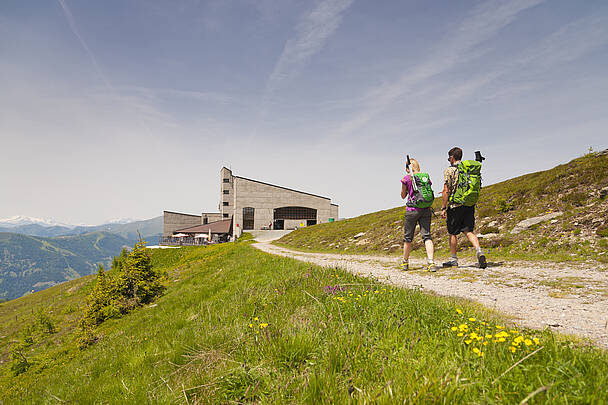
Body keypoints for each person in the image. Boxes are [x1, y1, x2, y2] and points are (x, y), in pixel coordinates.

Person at [441, 147, 487, 269]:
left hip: (455, 205)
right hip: (469, 204)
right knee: (468, 231)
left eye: (448, 158)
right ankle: (479, 252)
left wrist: (443, 207)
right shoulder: (468, 170)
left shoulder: (449, 170)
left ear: (452, 157)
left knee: (452, 233)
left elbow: (446, 190)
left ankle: (453, 259)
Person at [400, 158, 439, 272]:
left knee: (408, 237)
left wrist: (407, 190)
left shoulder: (406, 178)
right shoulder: (425, 176)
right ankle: (431, 262)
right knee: (427, 236)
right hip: (425, 209)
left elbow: (403, 195)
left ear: (408, 168)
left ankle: (405, 262)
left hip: (412, 209)